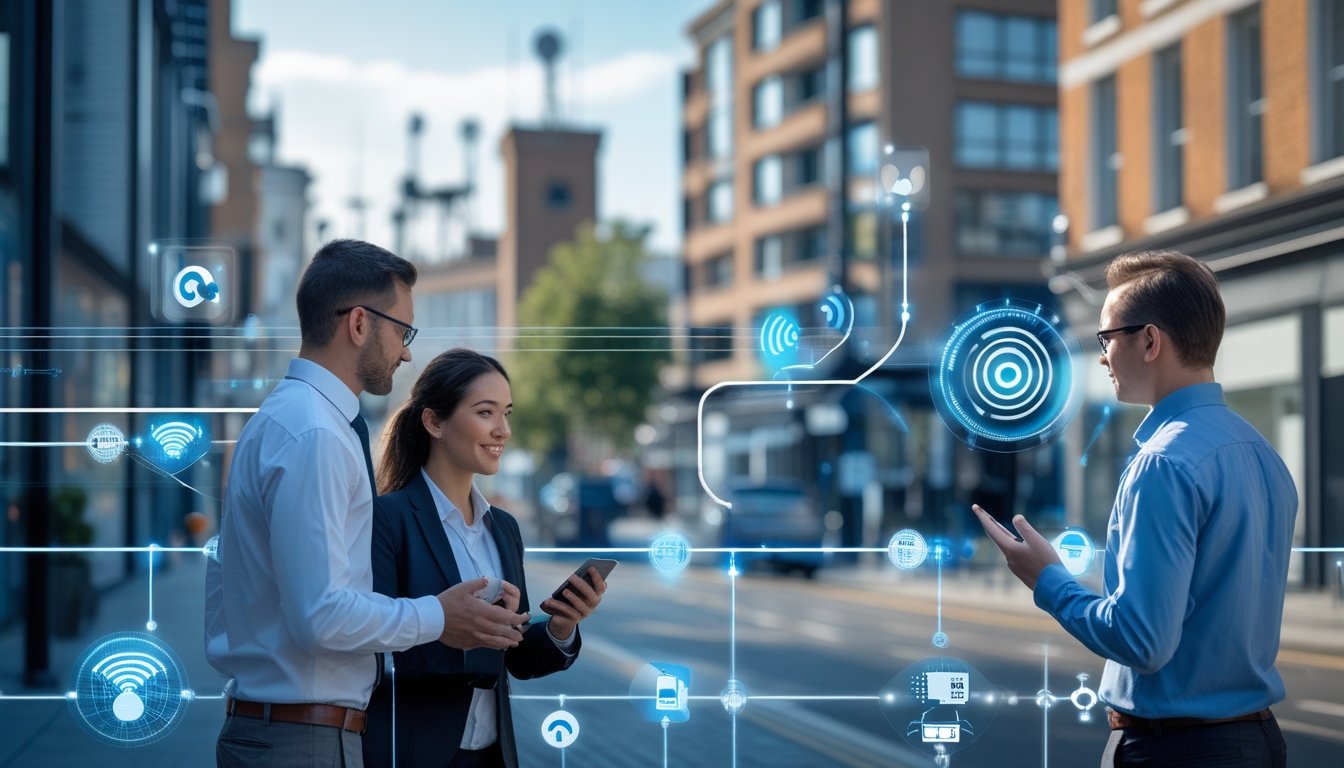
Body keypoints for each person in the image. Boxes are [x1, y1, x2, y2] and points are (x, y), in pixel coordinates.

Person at [205, 241, 529, 768]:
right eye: (403, 331)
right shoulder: (315, 434)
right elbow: (320, 616)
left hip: (288, 729)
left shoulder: (289, 419)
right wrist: (438, 615)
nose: (406, 353)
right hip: (302, 738)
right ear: (359, 323)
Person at [974, 250, 1296, 767]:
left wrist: (1048, 580)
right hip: (1255, 740)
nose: (1102, 357)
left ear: (1149, 341)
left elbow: (1143, 640)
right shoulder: (1263, 455)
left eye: (1107, 338)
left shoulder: (1163, 464)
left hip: (1178, 750)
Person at [365, 348, 606, 768]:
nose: (502, 430)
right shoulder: (388, 518)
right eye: (485, 412)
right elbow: (369, 642)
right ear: (434, 422)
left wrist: (561, 627)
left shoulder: (504, 528)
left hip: (493, 755)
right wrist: (459, 629)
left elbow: (517, 659)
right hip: (413, 752)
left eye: (506, 414)